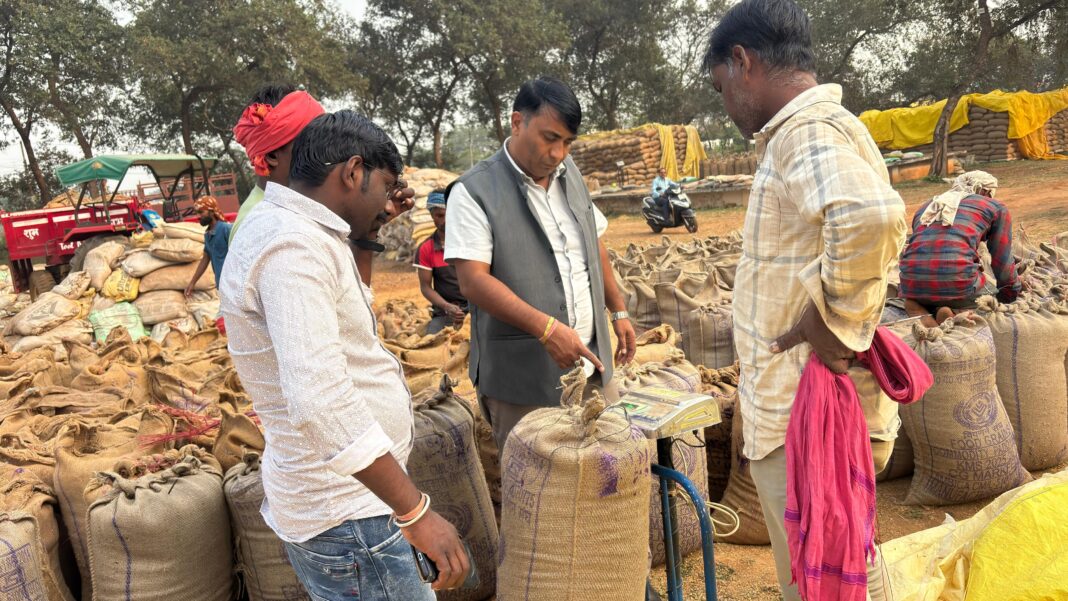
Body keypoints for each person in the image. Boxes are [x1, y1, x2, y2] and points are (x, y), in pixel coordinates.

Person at [219, 110, 470, 600]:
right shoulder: (292, 247)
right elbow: (319, 399)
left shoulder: (301, 232)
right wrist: (415, 513)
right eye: (383, 186)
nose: (385, 200)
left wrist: (371, 228)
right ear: (353, 172)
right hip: (352, 517)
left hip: (355, 505)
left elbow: (349, 309)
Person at [702, 1, 907, 600]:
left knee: (825, 579)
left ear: (743, 62)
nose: (726, 104)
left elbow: (869, 217)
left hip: (807, 413)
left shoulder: (804, 131)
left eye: (722, 87)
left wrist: (832, 323)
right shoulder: (815, 128)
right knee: (842, 570)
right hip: (807, 410)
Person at [445, 76, 637, 454]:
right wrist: (547, 328)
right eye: (550, 138)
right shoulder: (473, 191)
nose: (558, 153)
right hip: (523, 383)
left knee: (605, 479)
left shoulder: (571, 176)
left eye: (567, 143)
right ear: (518, 122)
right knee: (539, 494)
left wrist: (618, 311)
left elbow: (593, 243)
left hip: (592, 367)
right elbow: (473, 282)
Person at [898, 170, 1020, 327]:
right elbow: (1001, 261)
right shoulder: (995, 207)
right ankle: (954, 314)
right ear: (985, 191)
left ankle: (920, 307)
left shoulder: (926, 207)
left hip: (911, 284)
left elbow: (924, 247)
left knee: (930, 283)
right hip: (958, 284)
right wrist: (1011, 291)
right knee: (989, 297)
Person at [230, 84, 325, 243]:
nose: (324, 152)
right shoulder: (258, 225)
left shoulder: (293, 205)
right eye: (313, 143)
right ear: (272, 156)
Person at [414, 184, 468, 333]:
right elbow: (425, 287)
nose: (445, 220)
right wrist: (447, 307)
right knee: (433, 340)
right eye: (439, 215)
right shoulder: (426, 248)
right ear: (432, 215)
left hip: (476, 309)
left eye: (449, 214)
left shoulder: (470, 242)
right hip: (446, 312)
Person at [185, 196, 232, 331]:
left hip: (232, 283)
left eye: (201, 212)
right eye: (196, 213)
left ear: (211, 212)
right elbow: (206, 258)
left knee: (223, 321)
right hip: (221, 285)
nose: (198, 216)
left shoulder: (225, 229)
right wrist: (192, 282)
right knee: (225, 320)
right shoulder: (207, 234)